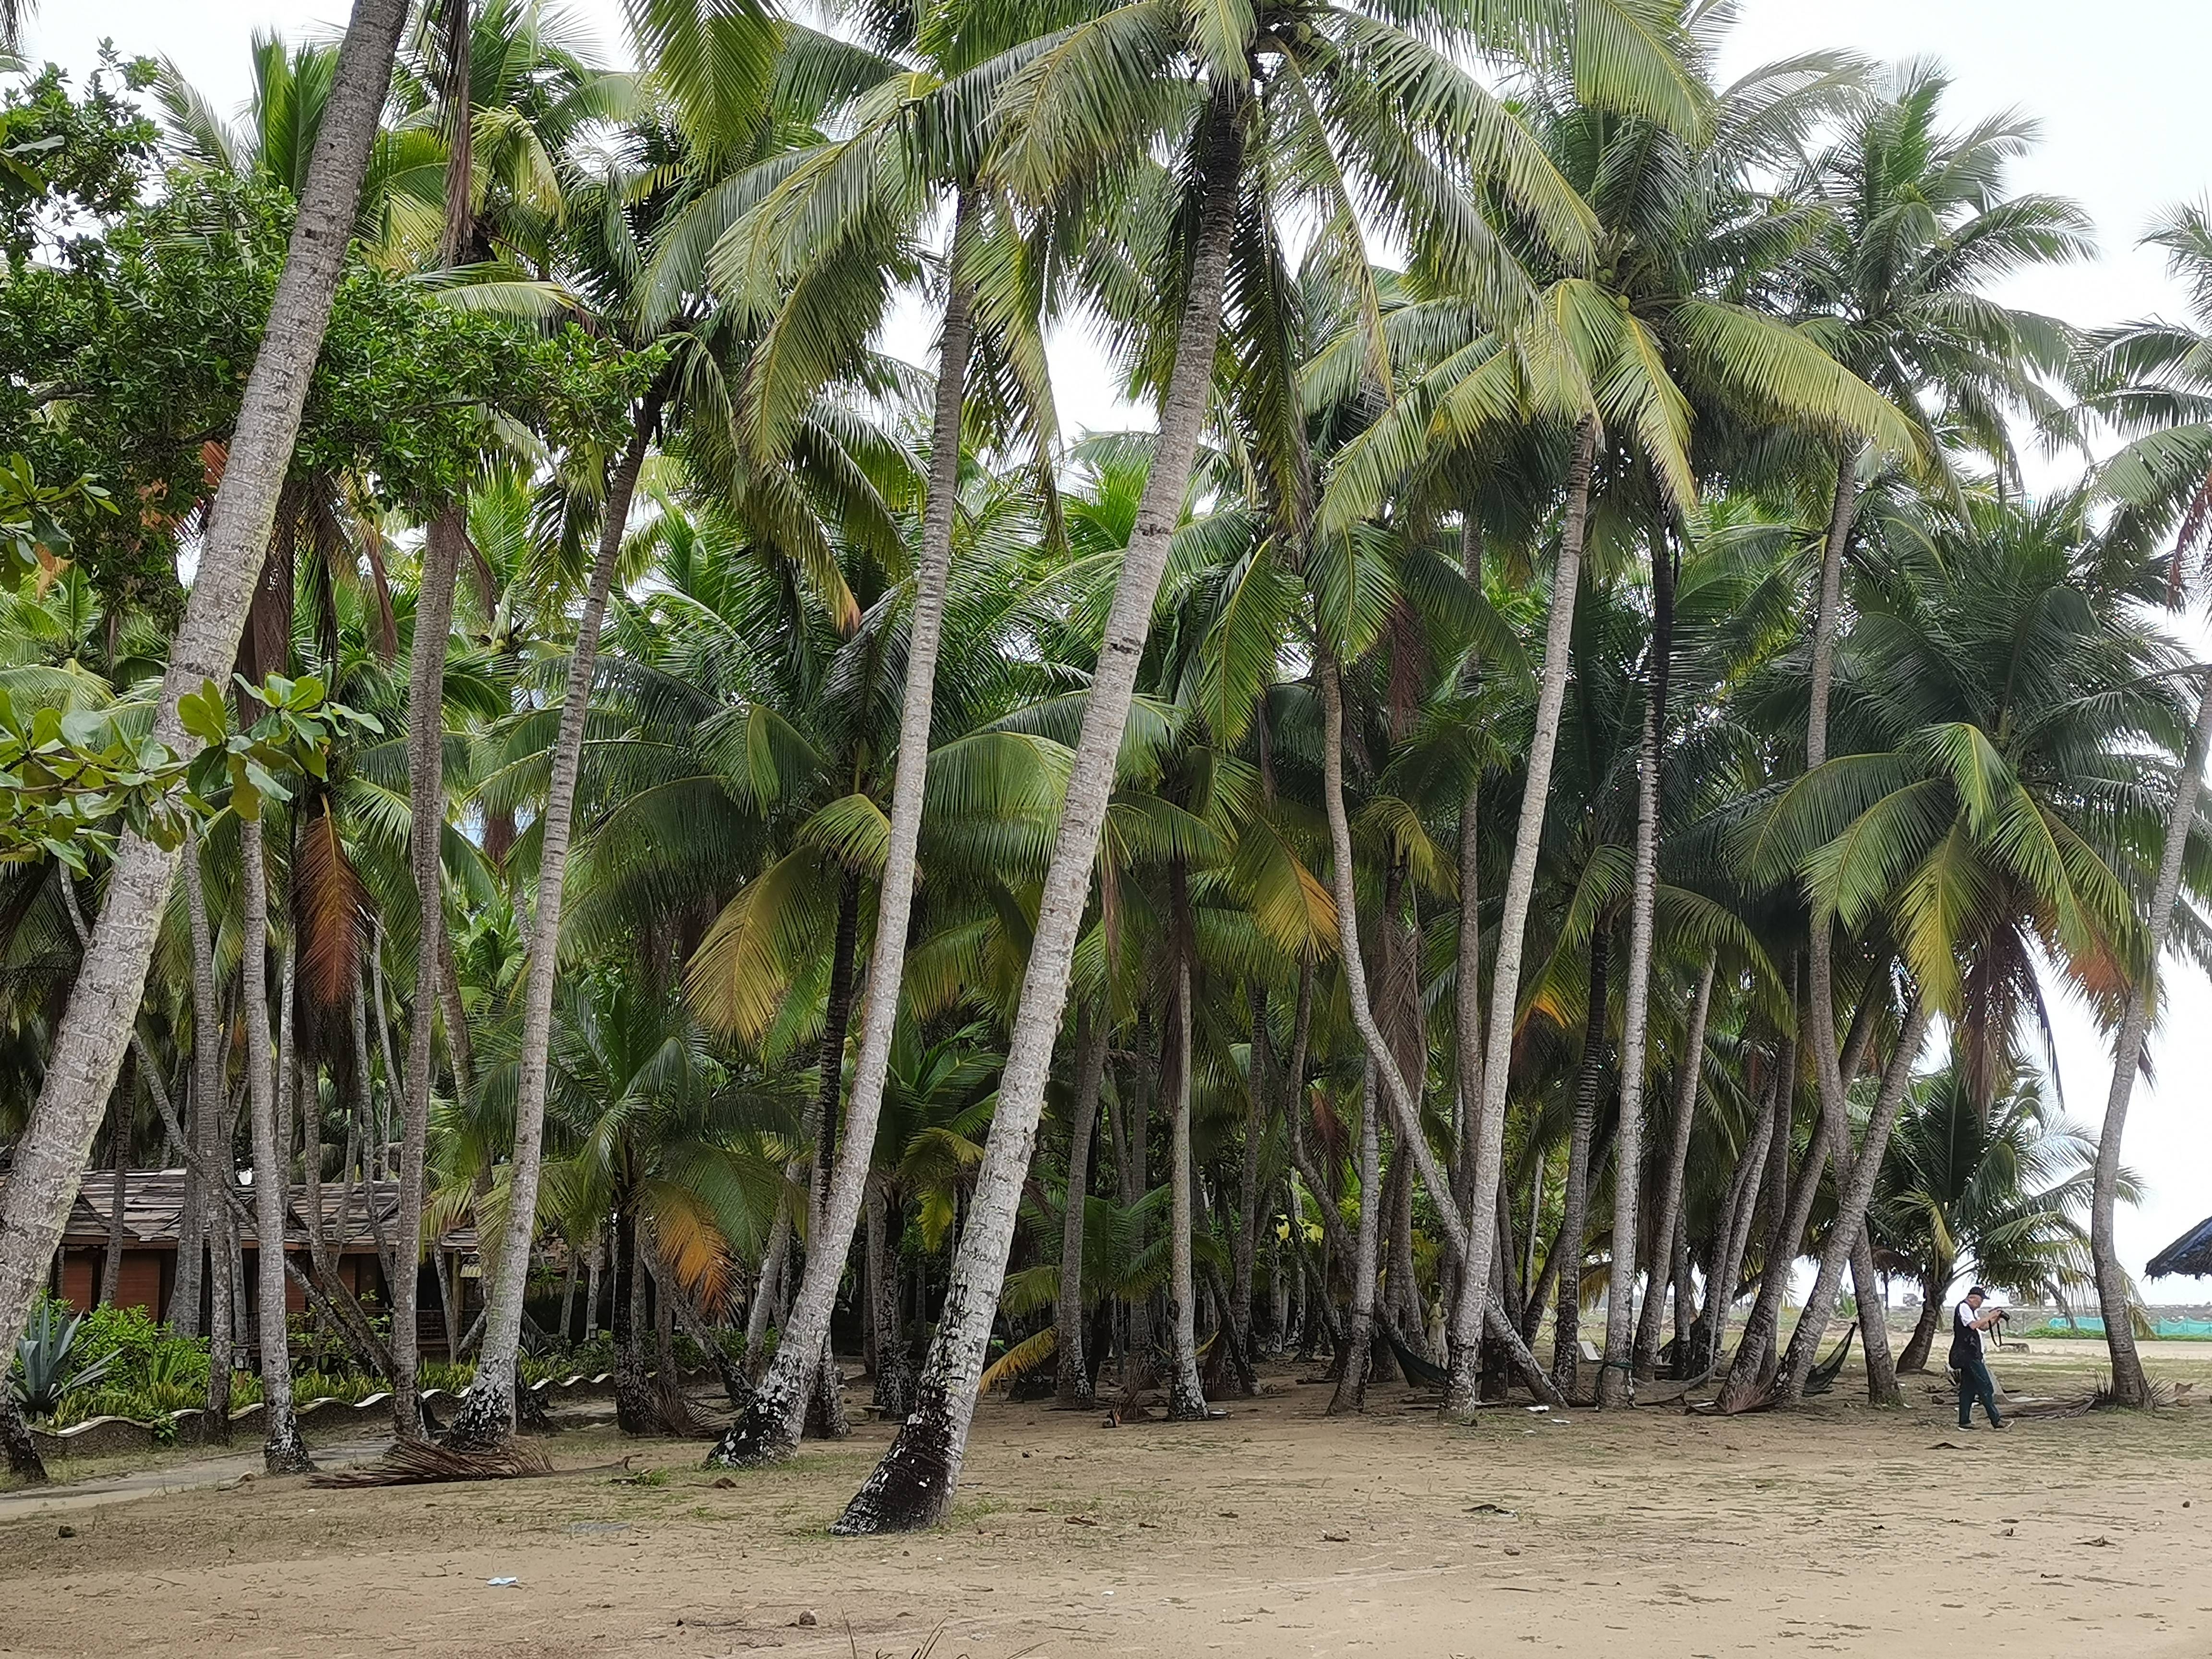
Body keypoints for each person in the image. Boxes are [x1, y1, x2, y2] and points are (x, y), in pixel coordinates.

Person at [1950, 1286, 2008, 1431]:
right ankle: (1996, 1420)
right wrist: (1989, 1316)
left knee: (1968, 1389)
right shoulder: (1964, 1308)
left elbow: (1982, 1328)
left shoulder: (1971, 1311)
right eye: (1980, 1301)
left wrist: (1995, 1319)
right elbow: (1973, 1326)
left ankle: (1964, 1421)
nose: (1981, 1304)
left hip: (1972, 1354)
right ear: (1973, 1298)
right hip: (1968, 1355)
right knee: (1986, 1386)